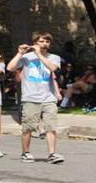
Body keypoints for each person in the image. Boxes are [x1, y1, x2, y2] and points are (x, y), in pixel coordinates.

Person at [8, 32, 64, 163]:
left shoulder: (54, 57)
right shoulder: (27, 57)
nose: (44, 44)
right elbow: (10, 67)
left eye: (47, 42)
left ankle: (52, 153)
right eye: (41, 41)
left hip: (48, 97)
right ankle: (26, 152)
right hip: (30, 97)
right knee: (28, 127)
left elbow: (52, 68)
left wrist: (39, 54)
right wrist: (20, 53)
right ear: (35, 43)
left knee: (51, 127)